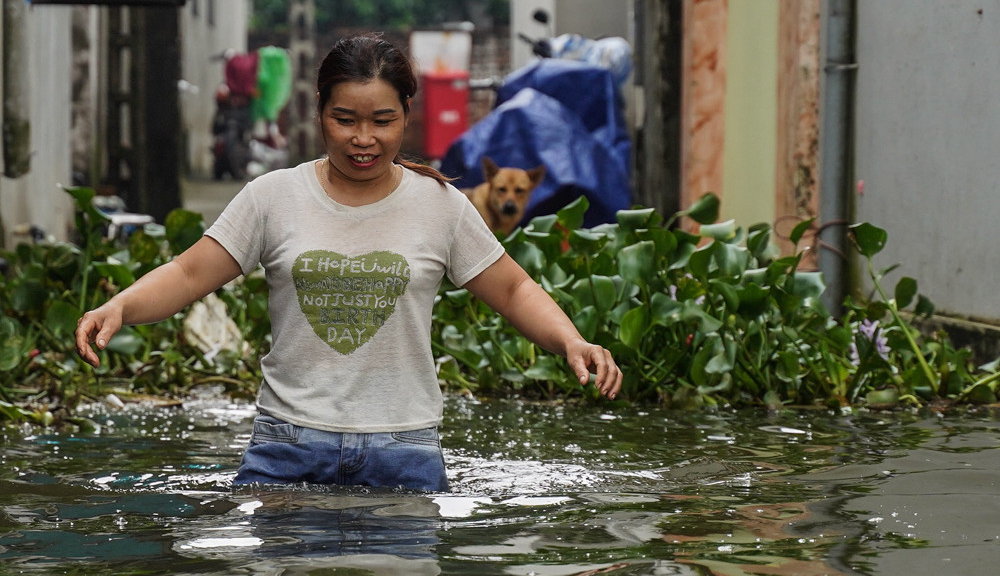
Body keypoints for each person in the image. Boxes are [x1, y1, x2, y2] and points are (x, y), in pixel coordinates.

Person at [75, 33, 622, 492]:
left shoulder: (442, 206)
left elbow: (513, 290)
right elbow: (191, 272)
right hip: (287, 443)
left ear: (407, 114)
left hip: (404, 448)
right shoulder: (272, 196)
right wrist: (121, 305)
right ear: (319, 113)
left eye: (382, 121)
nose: (364, 139)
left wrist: (570, 341)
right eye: (345, 120)